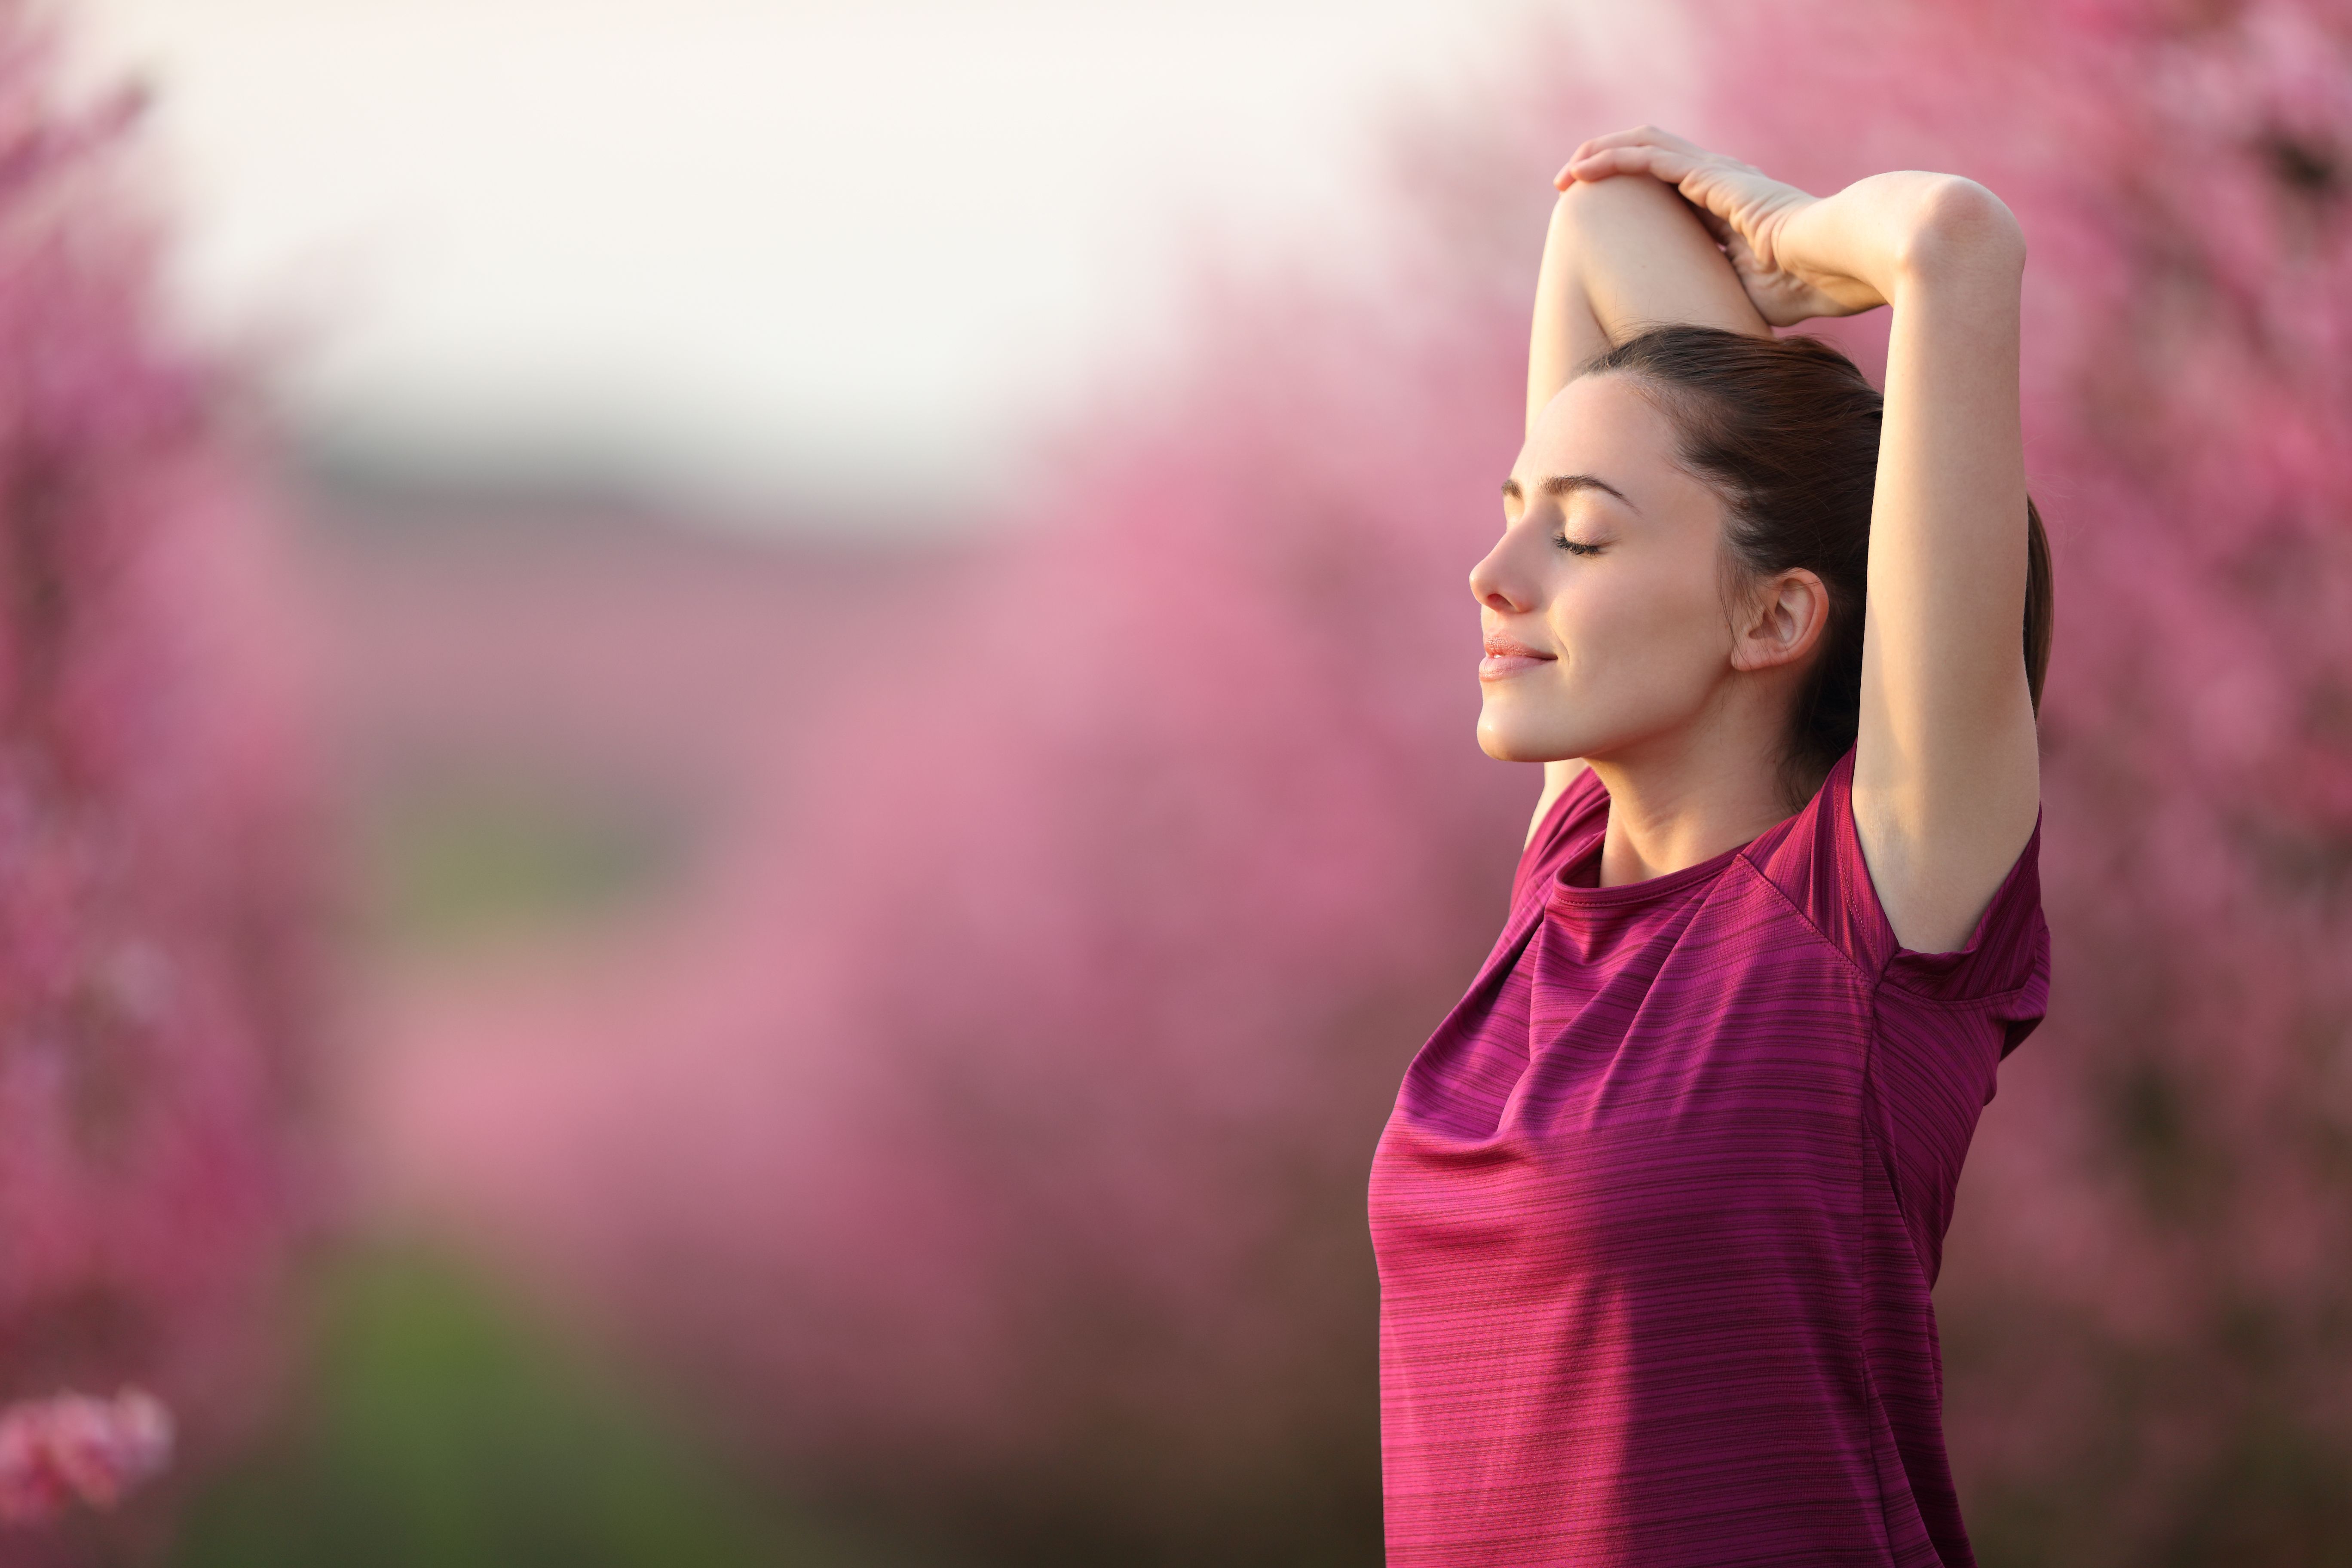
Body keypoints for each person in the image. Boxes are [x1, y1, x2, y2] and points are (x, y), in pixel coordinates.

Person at [1366, 126, 2054, 1566]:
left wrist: (1791, 237)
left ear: (1776, 621)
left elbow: (1956, 242)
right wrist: (1768, 397)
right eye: (1514, 518)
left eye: (1583, 540)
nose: (1494, 577)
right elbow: (1598, 220)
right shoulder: (1563, 883)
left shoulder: (1873, 916)